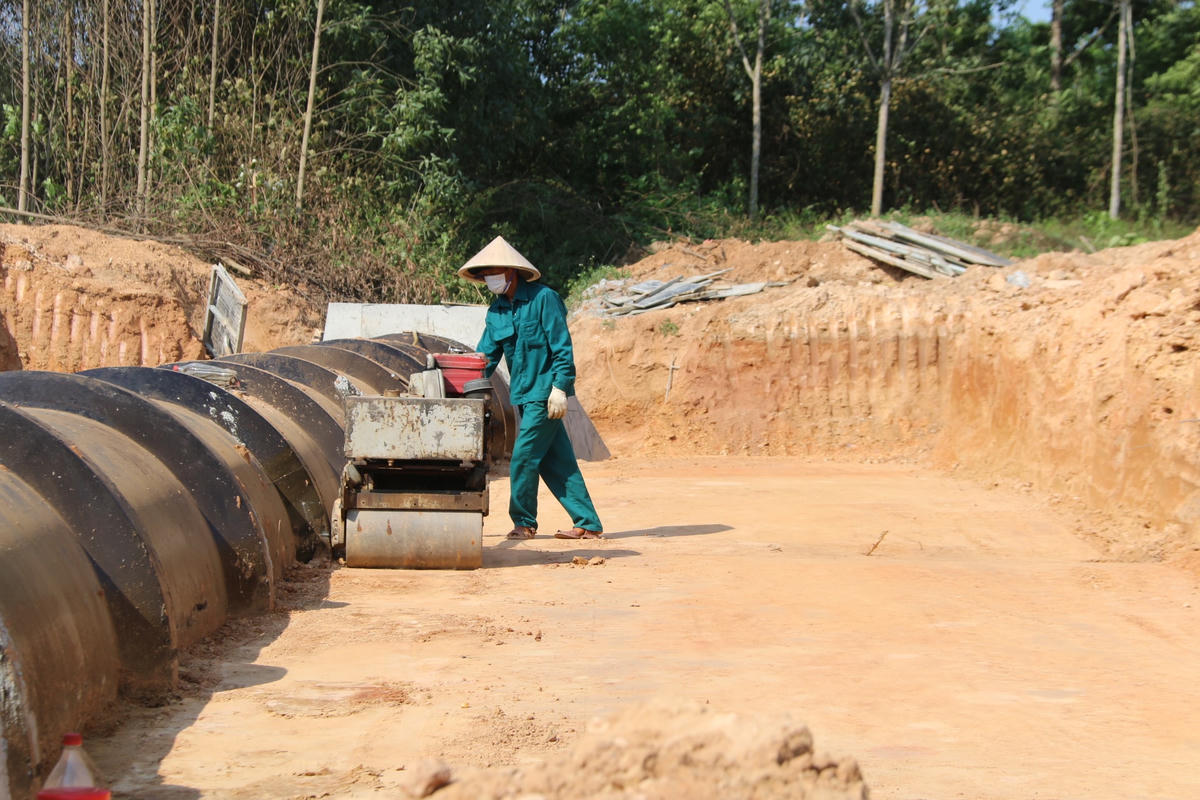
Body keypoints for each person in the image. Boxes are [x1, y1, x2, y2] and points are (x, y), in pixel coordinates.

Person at [458, 236, 604, 540]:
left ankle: (524, 522)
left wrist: (560, 387)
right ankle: (587, 523)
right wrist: (459, 381)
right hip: (524, 396)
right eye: (484, 274)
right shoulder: (496, 312)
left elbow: (562, 347)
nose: (489, 279)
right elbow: (485, 357)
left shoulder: (543, 299)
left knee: (524, 456)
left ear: (511, 271)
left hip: (546, 395)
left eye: (493, 272)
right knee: (557, 462)